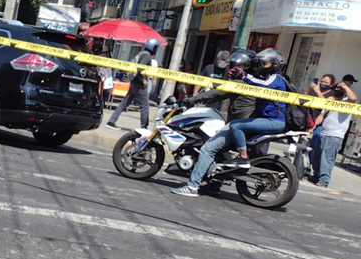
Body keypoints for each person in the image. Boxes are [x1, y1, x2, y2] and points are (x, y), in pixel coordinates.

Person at [172, 48, 290, 197]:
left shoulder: (245, 81)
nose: (235, 68)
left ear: (248, 65)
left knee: (208, 148)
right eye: (233, 64)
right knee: (221, 150)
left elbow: (217, 93)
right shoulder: (258, 80)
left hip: (243, 123)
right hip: (250, 122)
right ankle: (215, 184)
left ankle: (192, 186)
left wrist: (192, 100)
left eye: (239, 65)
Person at [310, 74, 358, 187]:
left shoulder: (348, 102)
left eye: (341, 89)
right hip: (324, 132)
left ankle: (324, 179)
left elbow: (353, 98)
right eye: (337, 88)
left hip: (335, 135)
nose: (339, 90)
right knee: (317, 157)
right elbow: (322, 115)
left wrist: (344, 86)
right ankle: (316, 175)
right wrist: (313, 126)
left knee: (327, 158)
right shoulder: (331, 101)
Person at [106, 38, 160, 129]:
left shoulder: (141, 53)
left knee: (124, 103)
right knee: (145, 106)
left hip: (134, 82)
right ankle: (144, 127)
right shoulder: (146, 56)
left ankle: (111, 122)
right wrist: (143, 79)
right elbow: (140, 68)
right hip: (139, 84)